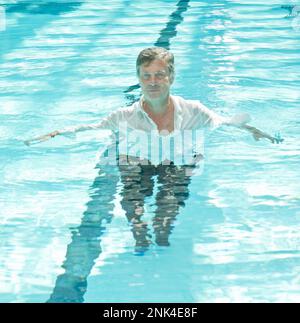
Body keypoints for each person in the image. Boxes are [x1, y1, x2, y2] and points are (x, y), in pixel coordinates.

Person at [25, 47, 282, 251]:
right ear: (138, 79)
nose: (153, 82)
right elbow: (93, 127)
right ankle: (138, 228)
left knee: (172, 195)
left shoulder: (193, 110)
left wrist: (256, 131)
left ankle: (162, 231)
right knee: (133, 191)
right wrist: (58, 132)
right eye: (146, 76)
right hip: (137, 159)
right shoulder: (124, 115)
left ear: (171, 77)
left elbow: (225, 121)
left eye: (159, 75)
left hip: (177, 159)